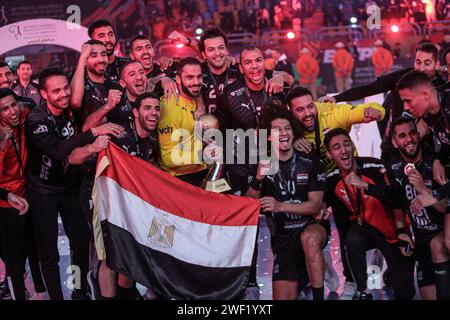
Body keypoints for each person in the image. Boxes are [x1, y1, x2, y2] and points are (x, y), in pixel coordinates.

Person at [25, 68, 121, 300]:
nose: (63, 94)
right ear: (44, 94)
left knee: (80, 243)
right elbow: (57, 150)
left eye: (65, 88)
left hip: (70, 186)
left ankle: (79, 291)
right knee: (49, 255)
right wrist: (94, 134)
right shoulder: (36, 119)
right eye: (56, 91)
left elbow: (81, 106)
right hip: (42, 191)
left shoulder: (71, 109)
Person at [70, 92, 160, 300]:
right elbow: (74, 157)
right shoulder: (118, 133)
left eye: (157, 108)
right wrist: (93, 146)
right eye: (147, 108)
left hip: (125, 199)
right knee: (109, 255)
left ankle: (125, 291)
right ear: (135, 112)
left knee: (129, 247)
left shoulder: (152, 140)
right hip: (98, 196)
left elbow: (151, 167)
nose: (153, 113)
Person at [246, 103, 329, 300]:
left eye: (288, 128)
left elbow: (315, 206)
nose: (284, 133)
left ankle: (318, 296)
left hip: (311, 225)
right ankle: (305, 275)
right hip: (284, 237)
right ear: (268, 136)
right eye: (277, 130)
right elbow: (249, 203)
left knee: (309, 239)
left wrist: (279, 206)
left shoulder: (309, 161)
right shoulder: (261, 163)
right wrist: (258, 179)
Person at [324, 128, 416, 300]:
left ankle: (391, 269)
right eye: (336, 147)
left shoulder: (375, 166)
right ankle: (362, 290)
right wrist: (321, 207)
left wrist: (367, 186)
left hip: (392, 231)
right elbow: (324, 204)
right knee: (352, 239)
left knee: (406, 293)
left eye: (346, 144)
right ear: (329, 155)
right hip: (365, 229)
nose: (343, 150)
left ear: (353, 146)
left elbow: (396, 199)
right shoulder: (332, 179)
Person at [387, 117, 450, 299]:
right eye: (402, 136)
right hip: (420, 239)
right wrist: (401, 230)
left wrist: (423, 189)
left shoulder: (435, 163)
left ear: (419, 134)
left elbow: (447, 206)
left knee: (444, 293)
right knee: (427, 295)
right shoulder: (393, 167)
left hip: (441, 234)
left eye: (412, 133)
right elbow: (397, 205)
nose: (409, 139)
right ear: (394, 141)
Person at [397, 70, 450, 258]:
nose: (405, 106)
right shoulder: (429, 113)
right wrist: (436, 158)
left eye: (408, 100)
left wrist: (436, 195)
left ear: (425, 95)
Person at [0, 88, 47, 300]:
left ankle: (41, 292)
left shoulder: (24, 115)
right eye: (5, 109)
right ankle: (19, 294)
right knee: (14, 262)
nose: (12, 112)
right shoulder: (1, 137)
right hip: (6, 207)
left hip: (27, 197)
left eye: (14, 105)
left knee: (35, 251)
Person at [157, 57, 208, 185]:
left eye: (199, 77)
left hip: (201, 172)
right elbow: (168, 157)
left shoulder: (198, 97)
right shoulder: (169, 106)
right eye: (190, 77)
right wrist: (203, 156)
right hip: (179, 180)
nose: (196, 82)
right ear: (178, 79)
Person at [88, 19, 130, 83]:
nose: (108, 39)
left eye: (110, 34)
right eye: (101, 36)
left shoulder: (127, 64)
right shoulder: (85, 71)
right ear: (92, 41)